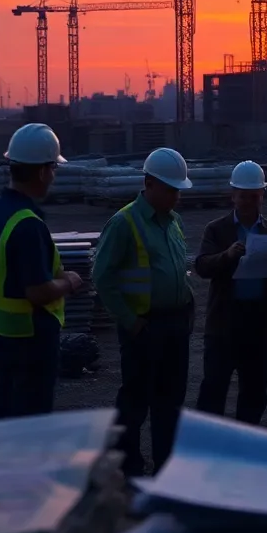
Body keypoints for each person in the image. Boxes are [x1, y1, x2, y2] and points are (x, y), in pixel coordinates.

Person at [92, 147, 194, 477]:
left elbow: (179, 268)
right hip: (144, 328)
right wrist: (130, 321)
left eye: (178, 190)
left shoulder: (174, 222)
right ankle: (129, 469)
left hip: (175, 325)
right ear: (149, 184)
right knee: (135, 402)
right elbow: (102, 277)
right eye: (170, 189)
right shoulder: (124, 223)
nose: (176, 196)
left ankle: (166, 466)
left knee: (170, 402)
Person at [0, 123, 83, 419]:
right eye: (54, 170)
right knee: (30, 420)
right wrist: (68, 282)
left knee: (7, 408)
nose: (54, 177)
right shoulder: (27, 223)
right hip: (28, 338)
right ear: (44, 171)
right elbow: (38, 291)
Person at [194, 161, 267, 425]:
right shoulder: (217, 230)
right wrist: (227, 256)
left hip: (260, 327)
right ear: (233, 195)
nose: (249, 202)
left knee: (254, 395)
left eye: (254, 196)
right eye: (244, 196)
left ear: (262, 195)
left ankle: (245, 447)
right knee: (213, 392)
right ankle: (209, 452)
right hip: (224, 326)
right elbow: (202, 266)